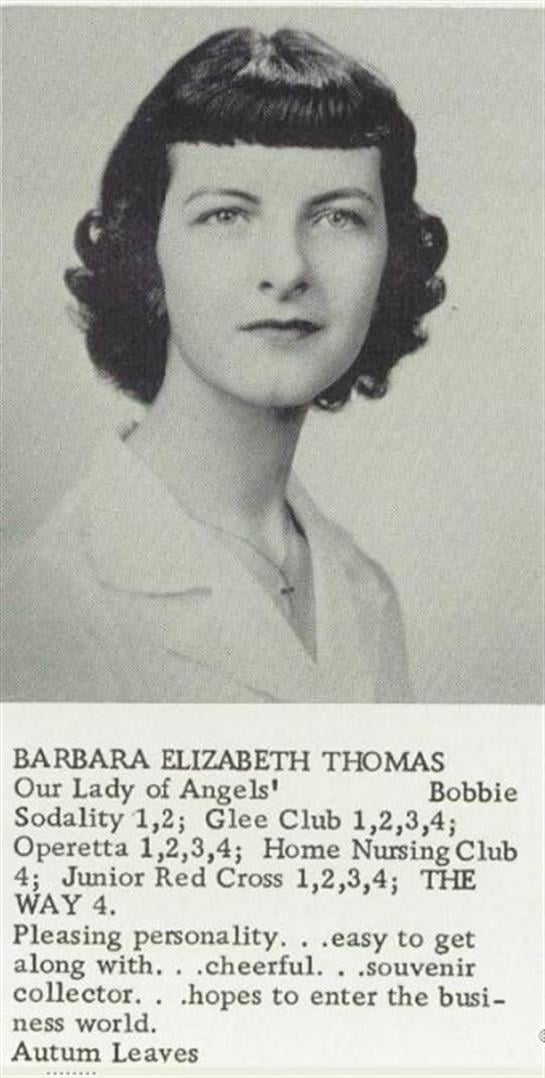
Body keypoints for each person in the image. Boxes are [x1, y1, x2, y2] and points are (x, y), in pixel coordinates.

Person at [1, 27, 447, 703]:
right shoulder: (46, 608)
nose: (287, 270)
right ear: (145, 252)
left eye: (336, 218)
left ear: (393, 257)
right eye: (225, 216)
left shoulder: (360, 590)